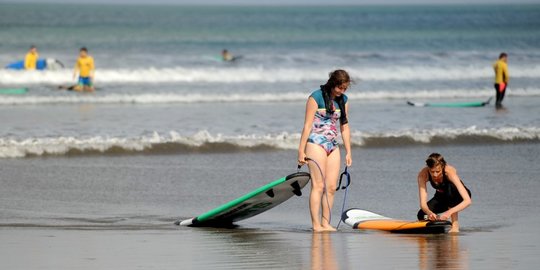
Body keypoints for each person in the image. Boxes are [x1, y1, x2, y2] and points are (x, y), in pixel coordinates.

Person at [298, 69, 353, 232]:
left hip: (333, 144)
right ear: (332, 84)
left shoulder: (344, 100)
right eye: (340, 88)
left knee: (330, 187)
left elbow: (344, 126)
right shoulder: (315, 97)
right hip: (315, 143)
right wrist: (301, 150)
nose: (342, 91)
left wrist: (349, 151)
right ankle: (316, 225)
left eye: (345, 88)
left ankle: (325, 223)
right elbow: (307, 125)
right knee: (318, 185)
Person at [417, 153, 472, 233]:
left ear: (442, 167)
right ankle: (437, 221)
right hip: (441, 197)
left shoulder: (449, 172)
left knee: (450, 188)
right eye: (432, 172)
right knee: (422, 215)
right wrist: (430, 213)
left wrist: (448, 213)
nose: (435, 175)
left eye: (438, 171)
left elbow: (468, 201)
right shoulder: (423, 175)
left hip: (458, 196)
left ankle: (455, 225)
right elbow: (423, 204)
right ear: (428, 168)